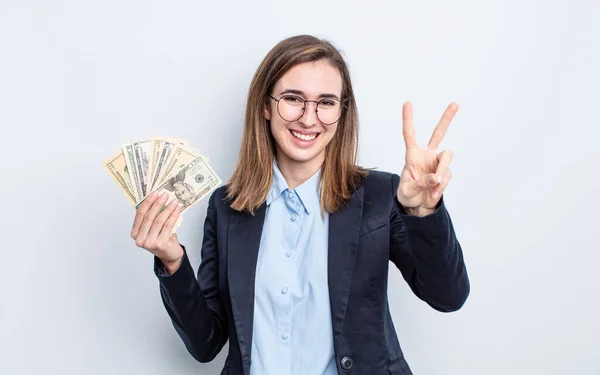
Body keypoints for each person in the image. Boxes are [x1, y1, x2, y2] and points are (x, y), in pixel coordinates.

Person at [130, 34, 470, 375]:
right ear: (265, 105)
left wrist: (423, 213)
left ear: (341, 111)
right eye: (293, 99)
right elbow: (206, 344)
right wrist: (172, 263)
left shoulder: (381, 197)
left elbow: (448, 297)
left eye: (326, 103)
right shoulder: (226, 207)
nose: (309, 119)